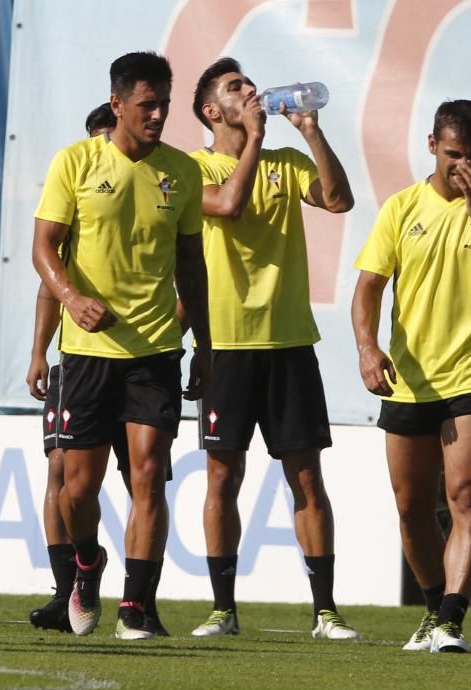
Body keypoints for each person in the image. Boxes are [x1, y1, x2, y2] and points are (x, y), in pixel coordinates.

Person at [31, 52, 211, 640]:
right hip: (87, 352)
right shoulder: (76, 162)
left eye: (163, 103)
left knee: (149, 474)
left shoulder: (182, 173)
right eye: (146, 105)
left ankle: (138, 607)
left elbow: (191, 264)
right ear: (117, 105)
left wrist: (204, 345)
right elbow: (44, 249)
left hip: (156, 350)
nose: (158, 114)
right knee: (78, 489)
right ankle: (87, 563)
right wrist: (72, 297)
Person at [188, 58, 358, 640]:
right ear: (212, 111)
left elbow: (339, 201)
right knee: (221, 479)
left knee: (307, 480)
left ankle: (326, 611)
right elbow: (228, 206)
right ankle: (222, 608)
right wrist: (257, 139)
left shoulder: (285, 162)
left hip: (289, 342)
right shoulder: (194, 169)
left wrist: (310, 133)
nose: (251, 91)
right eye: (236, 88)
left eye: (248, 83)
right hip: (228, 346)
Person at [352, 99, 471, 653]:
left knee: (468, 496)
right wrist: (366, 349)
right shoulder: (402, 209)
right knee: (410, 508)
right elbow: (369, 289)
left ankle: (452, 617)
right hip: (410, 379)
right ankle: (433, 606)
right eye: (454, 155)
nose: (464, 167)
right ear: (432, 146)